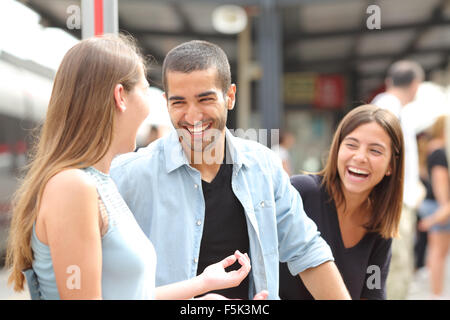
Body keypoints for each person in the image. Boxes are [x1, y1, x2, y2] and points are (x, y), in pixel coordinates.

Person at [5, 34, 267, 300]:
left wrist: (202, 289)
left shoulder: (99, 182)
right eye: (145, 88)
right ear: (121, 96)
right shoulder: (74, 187)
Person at [110, 40, 351, 300]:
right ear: (166, 102)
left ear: (230, 96)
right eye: (179, 103)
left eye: (205, 99)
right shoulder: (127, 176)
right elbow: (109, 285)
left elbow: (307, 251)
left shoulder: (264, 167)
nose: (192, 116)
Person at [279, 105, 404, 300]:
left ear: (391, 166)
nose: (360, 157)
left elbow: (372, 292)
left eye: (375, 151)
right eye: (351, 145)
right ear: (337, 149)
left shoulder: (379, 227)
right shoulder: (301, 192)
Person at [371, 60, 425, 299]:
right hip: (393, 202)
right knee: (396, 265)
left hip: (399, 200)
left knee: (398, 265)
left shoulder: (391, 106)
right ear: (415, 84)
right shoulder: (388, 106)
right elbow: (380, 152)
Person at [417, 115, 450, 299]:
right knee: (438, 251)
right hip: (438, 205)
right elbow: (440, 184)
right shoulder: (440, 151)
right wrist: (443, 211)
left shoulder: (436, 148)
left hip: (437, 205)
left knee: (439, 251)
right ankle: (436, 294)